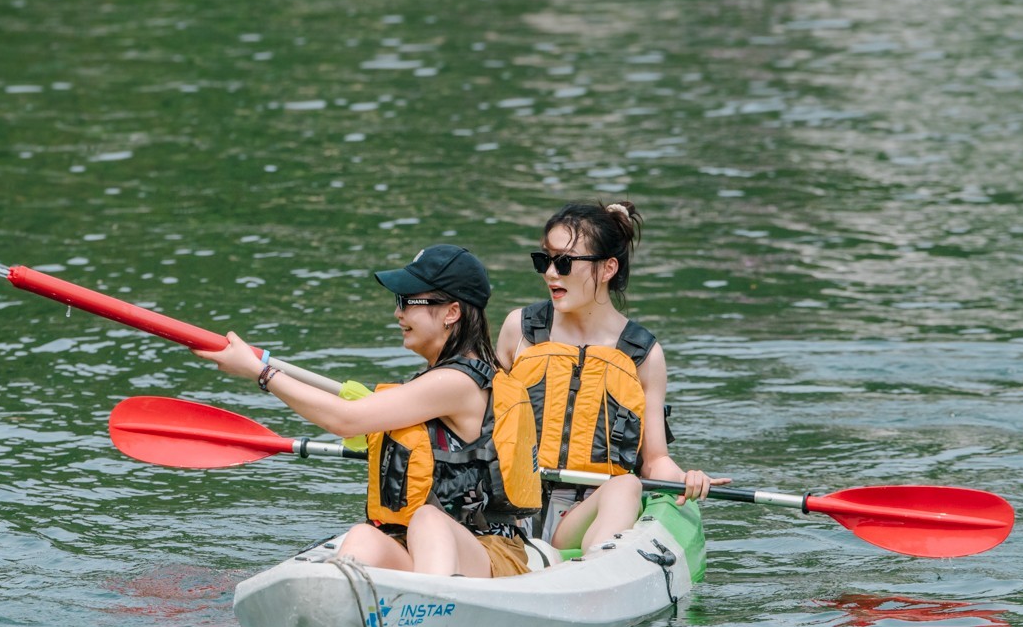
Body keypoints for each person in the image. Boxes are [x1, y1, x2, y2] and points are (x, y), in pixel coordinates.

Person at [197, 244, 539, 578]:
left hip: (489, 555)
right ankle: (342, 610)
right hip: (423, 550)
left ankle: (432, 613)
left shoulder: (458, 382)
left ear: (451, 312)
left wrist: (261, 372)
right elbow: (353, 418)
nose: (398, 313)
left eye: (407, 302)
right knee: (363, 537)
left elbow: (344, 419)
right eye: (397, 302)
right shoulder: (440, 379)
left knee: (429, 518)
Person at [496, 201, 730, 552]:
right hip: (514, 508)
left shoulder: (642, 354)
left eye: (564, 262)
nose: (550, 274)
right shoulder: (521, 329)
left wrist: (687, 479)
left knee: (627, 486)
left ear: (608, 268)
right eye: (544, 260)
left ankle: (593, 575)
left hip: (584, 512)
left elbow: (654, 460)